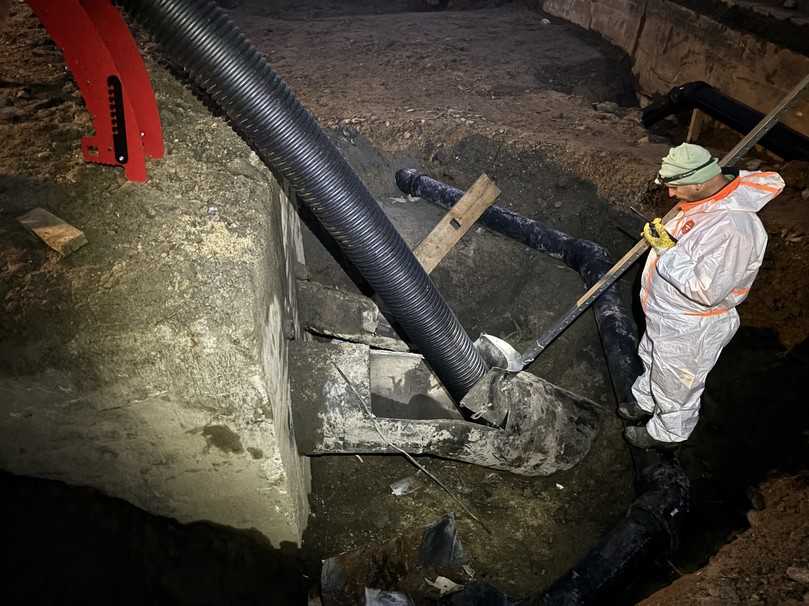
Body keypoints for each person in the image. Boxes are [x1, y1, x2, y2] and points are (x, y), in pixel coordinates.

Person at [619, 143, 784, 449]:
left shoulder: (735, 229)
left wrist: (667, 249)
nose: (670, 195)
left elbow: (706, 290)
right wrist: (671, 242)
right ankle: (646, 400)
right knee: (652, 358)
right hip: (669, 315)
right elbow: (692, 252)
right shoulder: (703, 204)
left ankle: (668, 434)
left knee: (677, 383)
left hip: (692, 326)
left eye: (674, 187)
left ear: (698, 182)